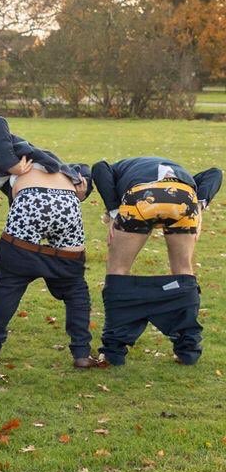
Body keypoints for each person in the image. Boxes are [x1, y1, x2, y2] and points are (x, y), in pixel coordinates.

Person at [0, 117, 97, 369]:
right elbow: (83, 167)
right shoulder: (37, 160)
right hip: (67, 206)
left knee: (9, 279)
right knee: (74, 283)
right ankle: (81, 353)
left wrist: (10, 164)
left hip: (34, 200)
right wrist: (84, 183)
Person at [91, 156, 222, 365]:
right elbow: (215, 172)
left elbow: (99, 167)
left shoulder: (119, 168)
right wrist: (199, 204)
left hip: (142, 196)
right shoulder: (179, 169)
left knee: (118, 269)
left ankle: (113, 349)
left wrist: (114, 211)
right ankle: (187, 348)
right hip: (183, 197)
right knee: (183, 270)